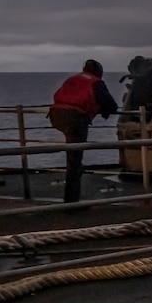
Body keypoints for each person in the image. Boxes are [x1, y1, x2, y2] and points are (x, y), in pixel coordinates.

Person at [48, 59, 119, 203]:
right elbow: (111, 105)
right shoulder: (95, 82)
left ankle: (72, 198)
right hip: (75, 119)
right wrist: (101, 109)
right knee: (74, 161)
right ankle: (71, 202)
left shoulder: (72, 79)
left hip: (56, 115)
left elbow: (59, 95)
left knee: (73, 156)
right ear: (99, 72)